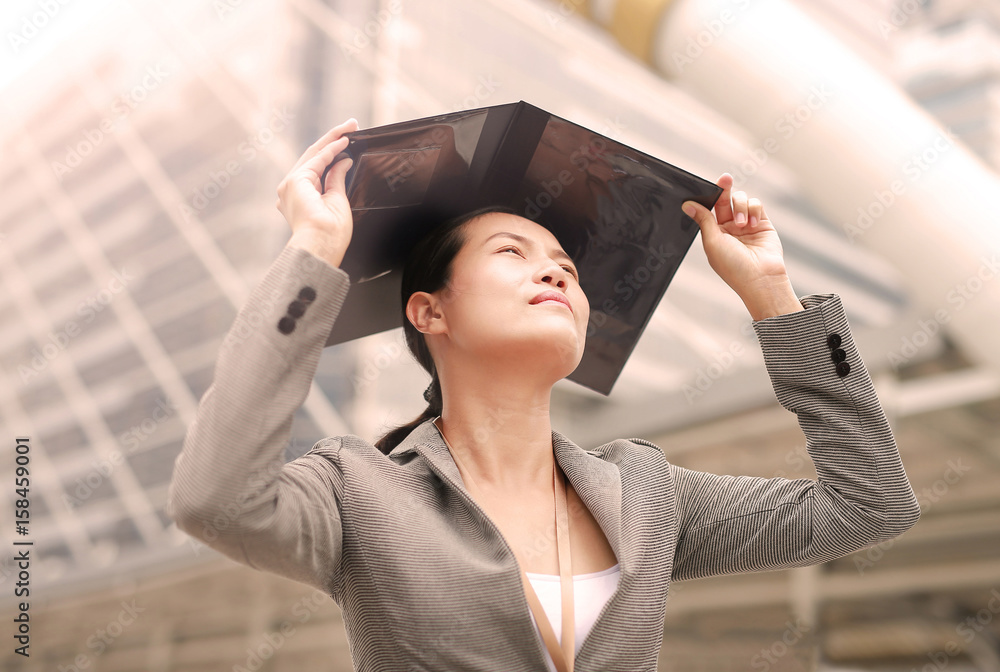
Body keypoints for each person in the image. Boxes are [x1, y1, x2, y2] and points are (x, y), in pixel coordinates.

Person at [167, 118, 922, 672]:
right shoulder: (356, 493)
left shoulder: (647, 495)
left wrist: (771, 293)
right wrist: (316, 249)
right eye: (512, 253)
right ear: (431, 312)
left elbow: (870, 505)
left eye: (566, 264)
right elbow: (217, 500)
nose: (558, 273)